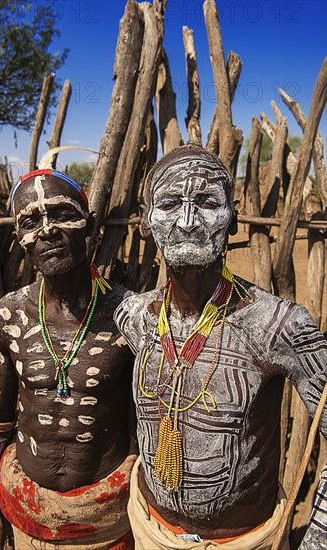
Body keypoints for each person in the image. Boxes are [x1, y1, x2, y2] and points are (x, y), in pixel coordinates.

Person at [114, 144, 327, 549]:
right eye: (170, 203)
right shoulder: (134, 316)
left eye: (208, 202)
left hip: (247, 539)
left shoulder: (277, 325)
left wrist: (317, 537)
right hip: (150, 528)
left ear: (232, 219)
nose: (189, 220)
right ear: (146, 222)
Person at [0, 169, 136, 549]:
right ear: (20, 240)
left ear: (89, 225)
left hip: (106, 523)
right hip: (29, 520)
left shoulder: (129, 316)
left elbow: (150, 425)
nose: (47, 231)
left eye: (62, 214)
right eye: (31, 221)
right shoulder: (8, 317)